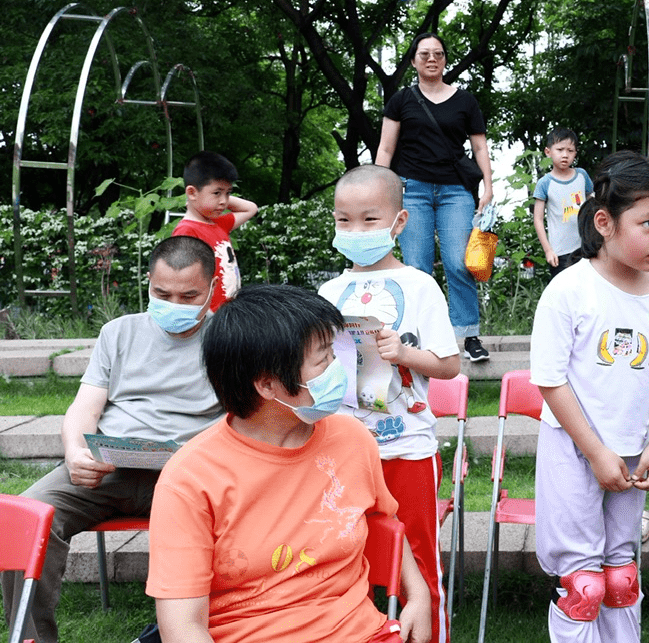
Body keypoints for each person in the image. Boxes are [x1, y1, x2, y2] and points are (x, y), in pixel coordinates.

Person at [146, 284, 431, 642]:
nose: (338, 367)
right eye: (323, 358)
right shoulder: (190, 479)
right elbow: (182, 627)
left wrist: (418, 595)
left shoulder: (352, 439)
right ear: (268, 385)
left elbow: (381, 519)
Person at [1, 237, 223, 643]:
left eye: (188, 295)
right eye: (162, 293)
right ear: (148, 284)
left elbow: (244, 418)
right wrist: (75, 453)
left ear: (212, 287)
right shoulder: (118, 332)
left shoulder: (230, 338)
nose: (174, 304)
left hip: (193, 476)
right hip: (109, 467)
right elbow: (83, 408)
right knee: (28, 516)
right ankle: (30, 639)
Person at [529, 151, 649, 643]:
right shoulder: (569, 290)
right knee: (585, 582)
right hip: (575, 451)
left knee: (620, 575)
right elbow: (550, 380)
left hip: (635, 450)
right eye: (647, 223)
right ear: (605, 222)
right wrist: (595, 451)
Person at [320, 164, 461, 643]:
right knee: (347, 555)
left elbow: (448, 364)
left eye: (369, 220)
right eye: (344, 220)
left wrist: (402, 353)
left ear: (399, 223)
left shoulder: (420, 286)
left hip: (407, 449)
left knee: (418, 556)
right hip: (342, 450)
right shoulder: (327, 293)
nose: (355, 231)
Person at [376, 32, 494, 363]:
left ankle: (468, 335)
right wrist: (380, 191)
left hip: (456, 191)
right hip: (411, 190)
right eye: (425, 54)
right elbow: (386, 148)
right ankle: (419, 335)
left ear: (445, 60)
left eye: (438, 54)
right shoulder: (401, 100)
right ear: (414, 60)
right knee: (417, 268)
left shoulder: (465, 101)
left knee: (460, 262)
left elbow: (480, 146)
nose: (432, 59)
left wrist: (489, 186)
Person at [171, 150, 258, 310]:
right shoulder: (187, 231)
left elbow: (251, 209)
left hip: (228, 313)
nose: (224, 201)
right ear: (191, 192)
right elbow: (183, 280)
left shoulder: (219, 224)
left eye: (228, 193)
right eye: (217, 193)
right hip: (208, 317)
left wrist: (218, 195)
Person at [533, 127, 594, 277]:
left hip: (585, 248)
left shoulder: (582, 175)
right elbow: (538, 219)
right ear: (548, 152)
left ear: (575, 153)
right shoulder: (544, 183)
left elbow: (593, 204)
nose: (565, 155)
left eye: (570, 151)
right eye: (560, 150)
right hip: (560, 253)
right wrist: (548, 250)